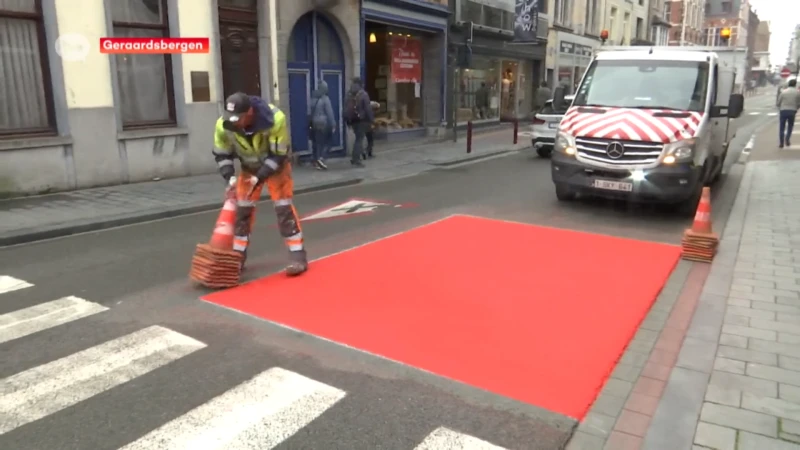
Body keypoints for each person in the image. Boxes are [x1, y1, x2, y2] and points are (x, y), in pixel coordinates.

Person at [212, 92, 307, 276]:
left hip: (275, 167)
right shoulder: (224, 125)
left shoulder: (275, 119)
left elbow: (279, 154)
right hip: (248, 168)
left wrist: (262, 175)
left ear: (249, 112)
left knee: (283, 209)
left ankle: (298, 256)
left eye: (238, 118)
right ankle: (238, 257)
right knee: (243, 212)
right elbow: (221, 153)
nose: (235, 123)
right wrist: (229, 176)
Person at [343, 78, 374, 167]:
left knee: (358, 138)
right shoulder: (363, 94)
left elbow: (345, 108)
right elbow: (368, 109)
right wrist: (371, 120)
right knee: (359, 140)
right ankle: (356, 160)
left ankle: (355, 157)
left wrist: (347, 120)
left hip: (352, 120)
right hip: (361, 120)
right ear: (361, 85)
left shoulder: (348, 94)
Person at [308, 80, 336, 170]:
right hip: (323, 123)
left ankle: (315, 160)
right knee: (328, 142)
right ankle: (322, 158)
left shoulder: (313, 98)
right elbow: (329, 113)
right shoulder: (325, 99)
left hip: (314, 123)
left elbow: (309, 112)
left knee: (317, 143)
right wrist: (333, 124)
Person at [776, 79, 800, 148]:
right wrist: (796, 109)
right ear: (795, 85)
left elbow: (778, 103)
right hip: (792, 111)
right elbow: (799, 103)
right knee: (790, 126)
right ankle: (787, 139)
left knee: (782, 127)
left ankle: (781, 143)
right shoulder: (797, 93)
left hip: (783, 111)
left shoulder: (783, 92)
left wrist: (780, 107)